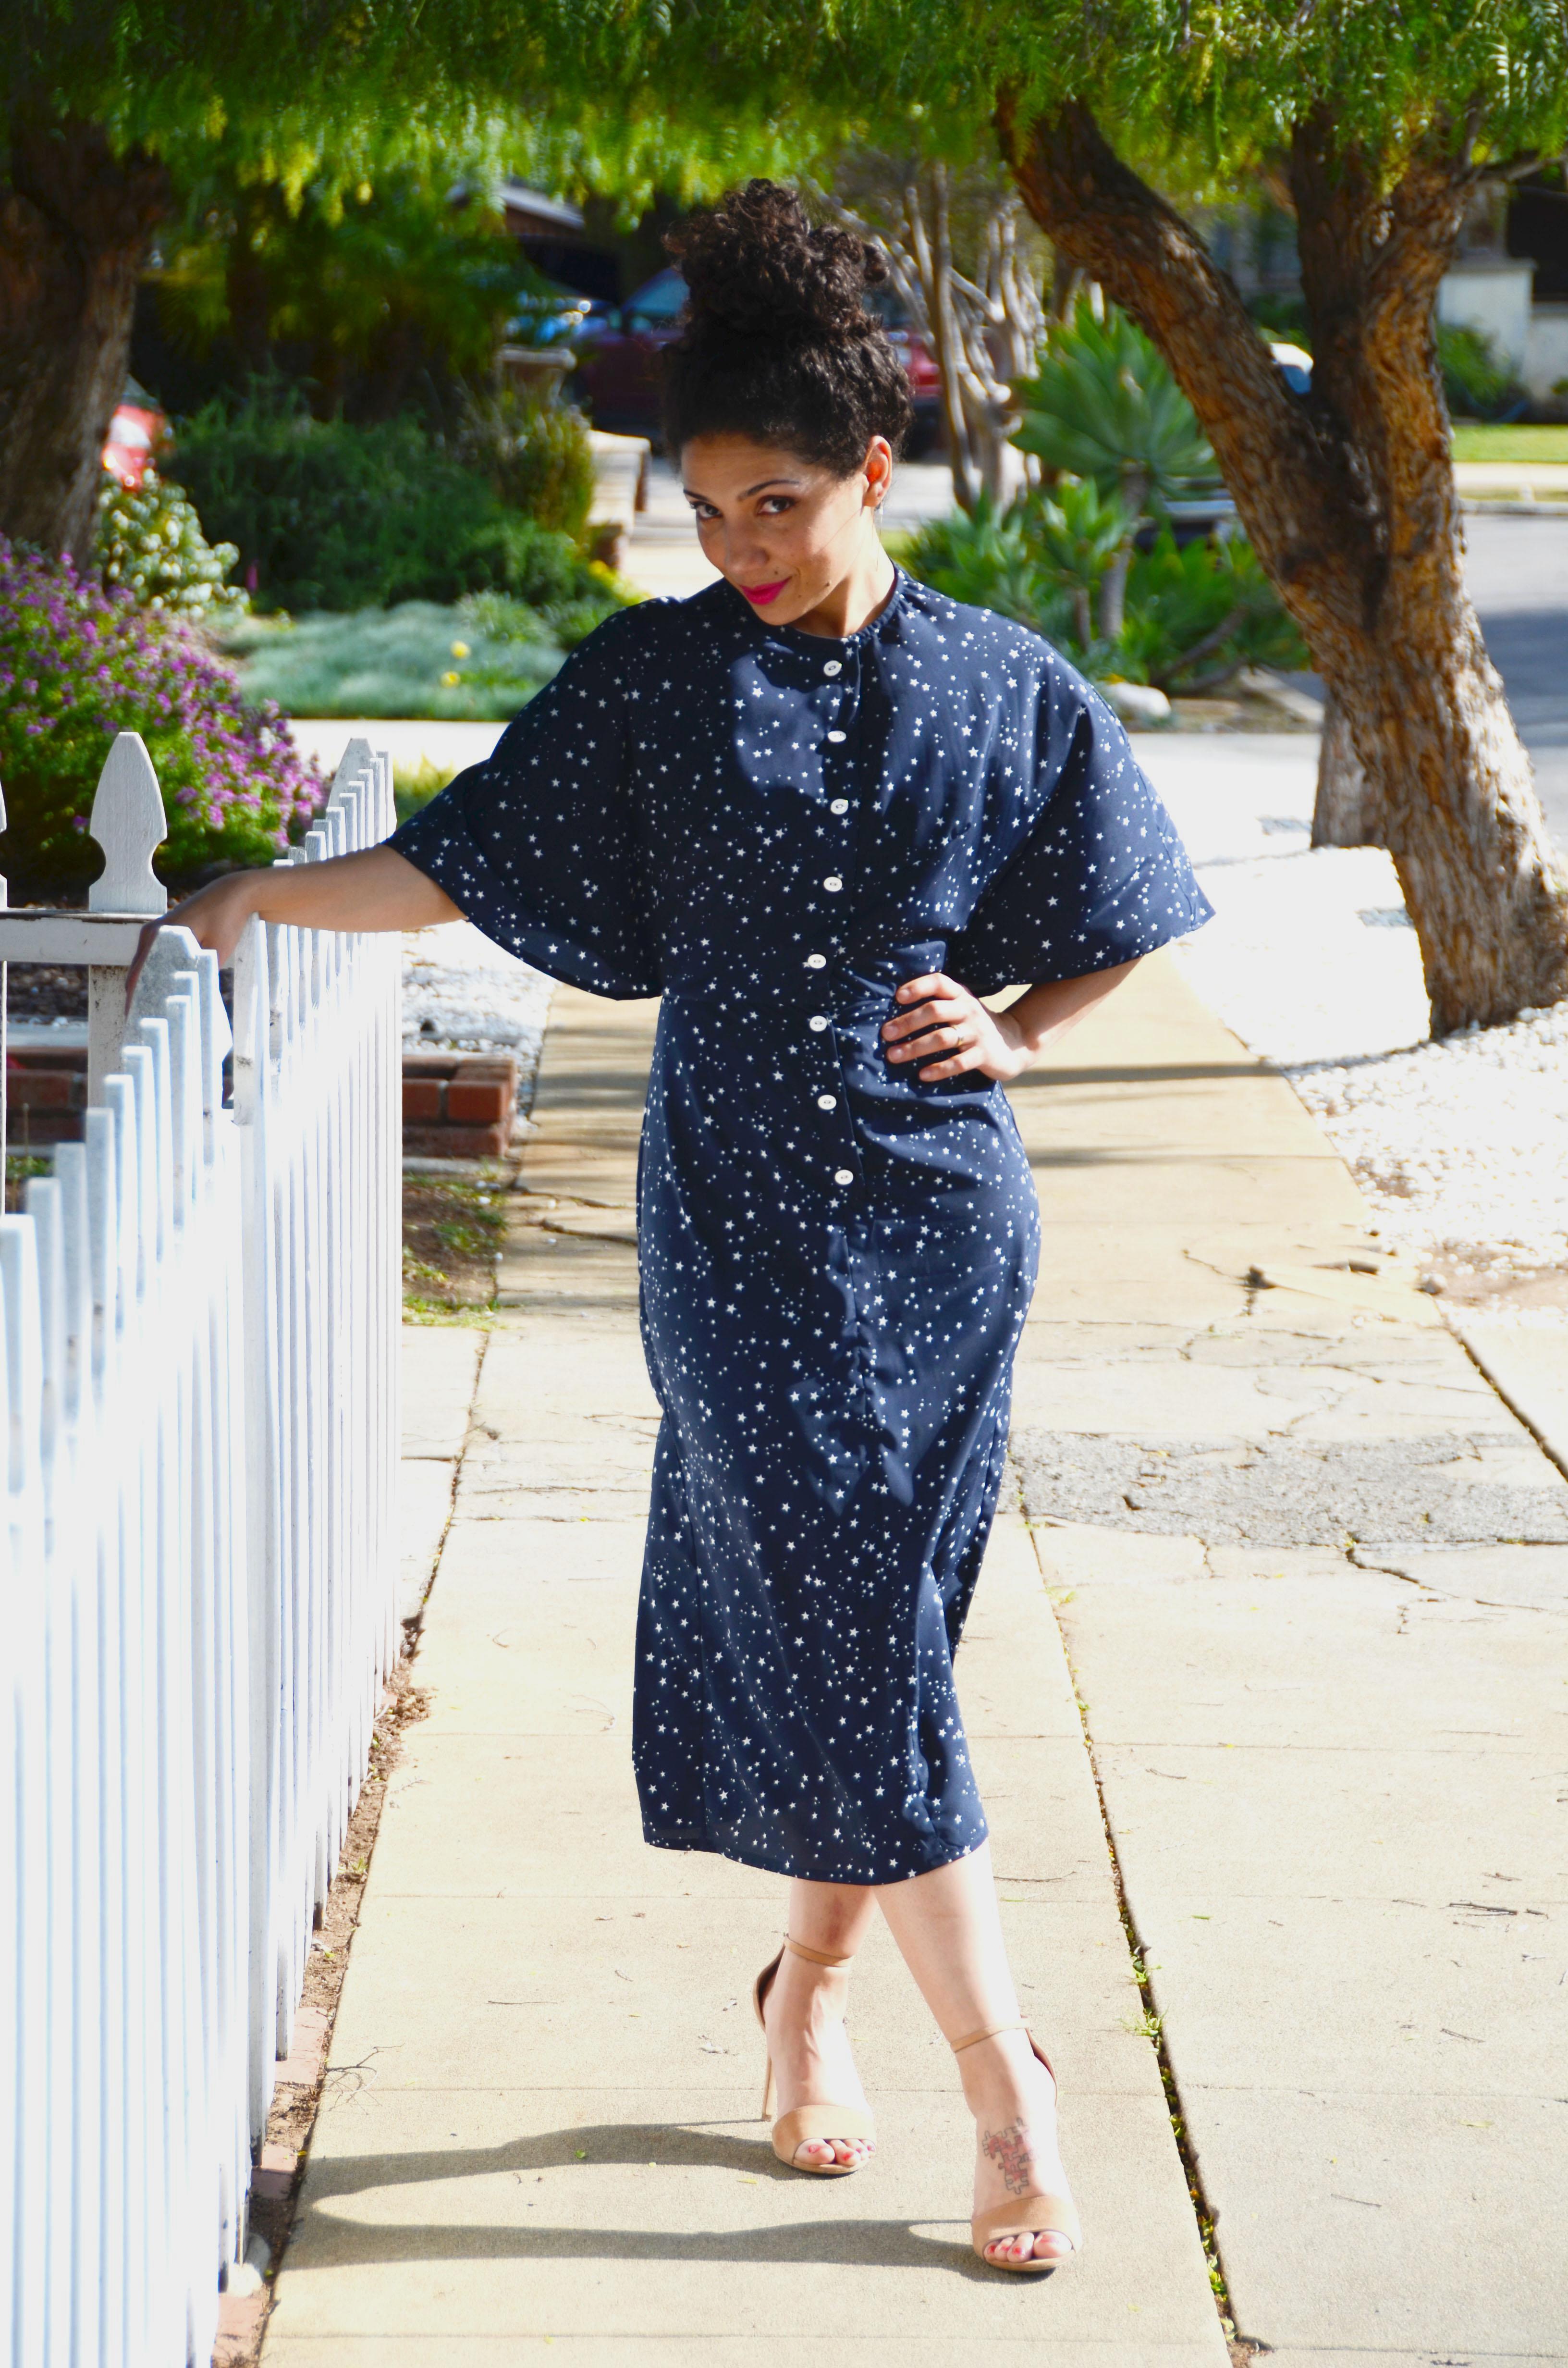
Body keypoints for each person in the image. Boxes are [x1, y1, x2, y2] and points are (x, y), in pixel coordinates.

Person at [134, 180, 1212, 2273]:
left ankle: (808, 1990)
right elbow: (457, 862)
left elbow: (1128, 897)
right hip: (730, 1226)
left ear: (875, 469)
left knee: (878, 1632)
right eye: (707, 510)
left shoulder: (1004, 683)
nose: (738, 548)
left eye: (777, 506)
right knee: (848, 1617)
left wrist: (1019, 1030)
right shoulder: (653, 681)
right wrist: (260, 895)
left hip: (943, 1229)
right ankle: (1009, 2090)